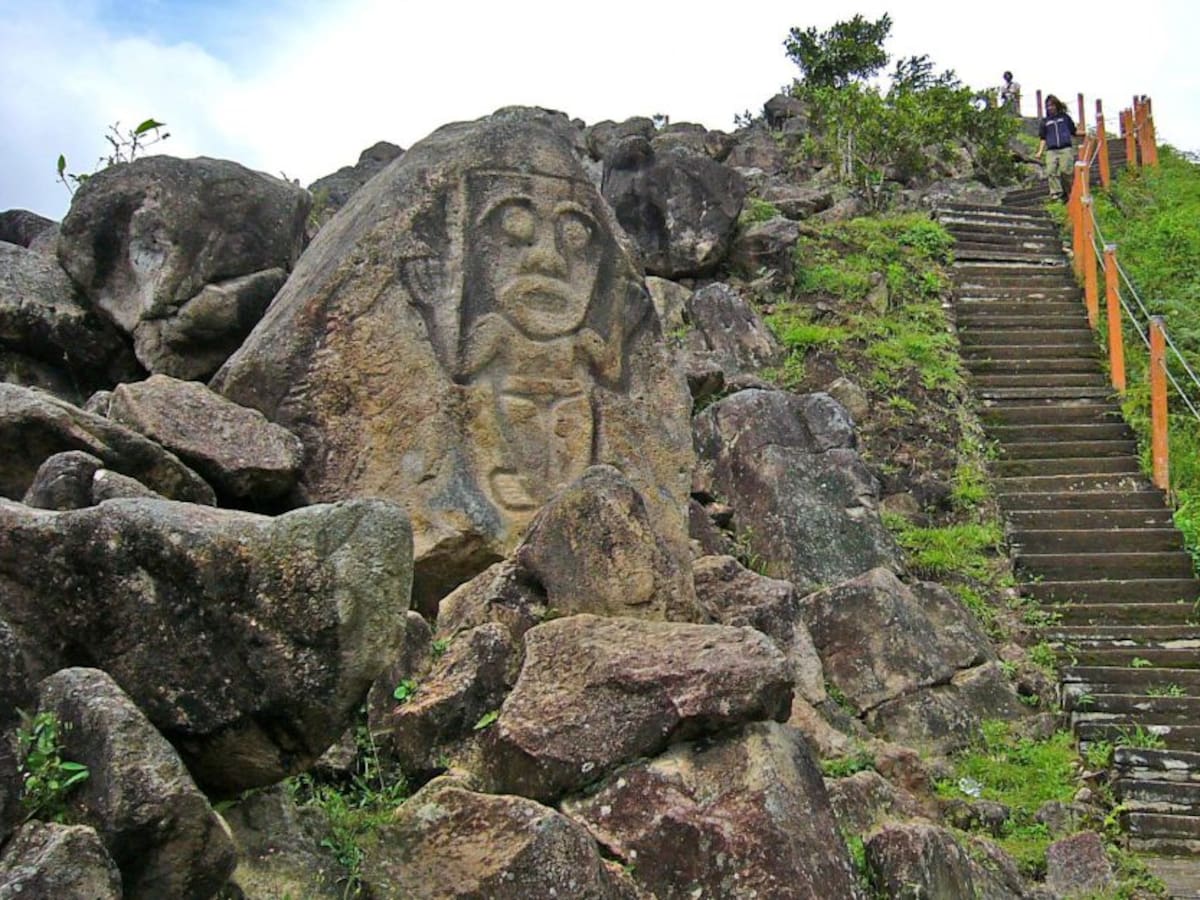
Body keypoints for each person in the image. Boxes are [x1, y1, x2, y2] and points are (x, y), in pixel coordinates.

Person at [1036, 94, 1077, 200]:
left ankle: (1069, 191)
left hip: (1065, 148)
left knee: (1065, 171)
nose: (1050, 108)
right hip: (1051, 150)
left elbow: (1073, 131)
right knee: (1051, 171)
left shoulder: (1064, 118)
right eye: (1048, 106)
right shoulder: (1045, 121)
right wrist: (1040, 152)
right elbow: (1043, 138)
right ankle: (1056, 193)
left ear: (1056, 105)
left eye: (1052, 105)